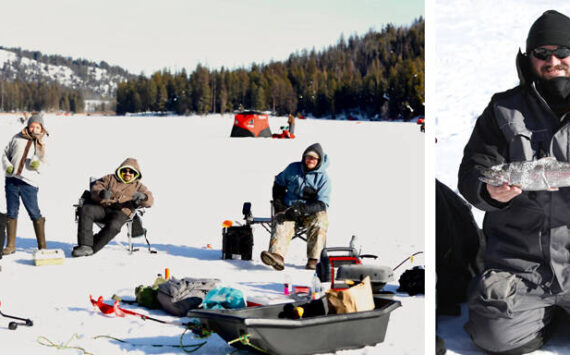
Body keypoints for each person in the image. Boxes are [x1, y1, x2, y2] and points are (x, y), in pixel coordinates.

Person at [458, 10, 570, 354]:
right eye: (542, 53)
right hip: (519, 265)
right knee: (493, 336)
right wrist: (488, 190)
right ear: (529, 57)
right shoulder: (503, 109)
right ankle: (542, 316)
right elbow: (473, 170)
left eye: (562, 52)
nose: (552, 61)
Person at [260, 143, 331, 270]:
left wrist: (302, 210)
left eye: (314, 159)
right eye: (308, 157)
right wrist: (279, 205)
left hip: (309, 214)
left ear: (319, 161)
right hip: (288, 209)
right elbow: (278, 184)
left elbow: (322, 204)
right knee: (280, 220)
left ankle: (313, 260)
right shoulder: (293, 168)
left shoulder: (323, 179)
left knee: (321, 219)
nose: (310, 160)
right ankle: (277, 257)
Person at [72, 157, 154, 257]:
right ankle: (85, 246)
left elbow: (150, 201)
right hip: (103, 208)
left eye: (131, 171)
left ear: (136, 173)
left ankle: (92, 247)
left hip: (122, 212)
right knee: (86, 209)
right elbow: (96, 187)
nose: (127, 173)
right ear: (120, 170)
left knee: (114, 226)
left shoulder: (139, 186)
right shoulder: (110, 178)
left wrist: (144, 197)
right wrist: (101, 193)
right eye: (125, 171)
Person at [1, 113, 49, 255]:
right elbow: (4, 154)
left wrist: (37, 162)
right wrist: (7, 166)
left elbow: (45, 160)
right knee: (11, 212)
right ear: (28, 125)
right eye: (32, 125)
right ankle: (10, 245)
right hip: (12, 180)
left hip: (29, 183)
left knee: (34, 212)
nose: (35, 128)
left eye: (38, 126)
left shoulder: (42, 142)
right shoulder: (16, 138)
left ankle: (42, 246)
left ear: (41, 128)